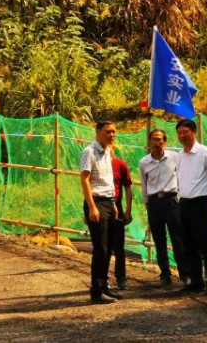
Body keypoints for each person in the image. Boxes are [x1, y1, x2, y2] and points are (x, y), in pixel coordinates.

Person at [175, 119, 207, 295]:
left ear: (193, 132)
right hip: (184, 203)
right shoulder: (179, 155)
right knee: (188, 244)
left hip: (202, 202)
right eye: (179, 133)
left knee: (206, 243)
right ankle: (196, 281)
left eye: (185, 132)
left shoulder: (205, 153)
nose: (182, 136)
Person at [139, 129, 189, 287]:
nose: (157, 142)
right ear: (150, 142)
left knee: (178, 239)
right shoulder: (144, 162)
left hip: (171, 201)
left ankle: (185, 275)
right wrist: (148, 205)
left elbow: (183, 176)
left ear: (164, 141)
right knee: (159, 240)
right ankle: (165, 275)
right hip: (154, 203)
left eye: (160, 139)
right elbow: (144, 186)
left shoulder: (175, 157)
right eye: (154, 139)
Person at [80, 121, 123, 304]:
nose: (111, 135)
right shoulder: (89, 151)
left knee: (109, 246)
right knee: (100, 247)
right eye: (108, 132)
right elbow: (85, 180)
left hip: (108, 201)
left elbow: (107, 180)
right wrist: (92, 207)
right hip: (96, 202)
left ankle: (105, 286)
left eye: (113, 132)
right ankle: (96, 291)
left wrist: (113, 203)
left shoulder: (107, 151)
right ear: (98, 132)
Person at [109, 148, 133, 290]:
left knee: (119, 246)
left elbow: (128, 187)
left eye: (110, 147)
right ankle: (102, 279)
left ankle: (121, 278)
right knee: (102, 246)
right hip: (102, 204)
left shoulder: (120, 165)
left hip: (117, 205)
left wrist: (128, 210)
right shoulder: (96, 164)